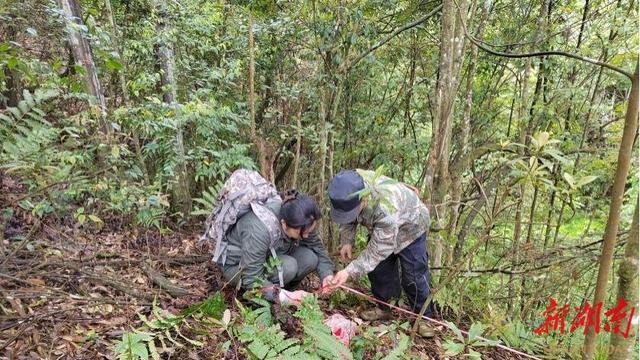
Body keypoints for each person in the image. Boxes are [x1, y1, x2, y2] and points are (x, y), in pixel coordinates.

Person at [324, 169, 435, 337]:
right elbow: (348, 216)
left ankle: (424, 316)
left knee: (414, 275)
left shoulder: (385, 206)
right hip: (382, 228)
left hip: (412, 227)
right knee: (379, 270)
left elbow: (379, 249)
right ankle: (385, 306)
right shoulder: (349, 186)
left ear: (365, 198)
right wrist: (347, 241)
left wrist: (349, 271)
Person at [221, 189, 335, 305]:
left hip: (269, 256)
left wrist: (327, 274)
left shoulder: (302, 220)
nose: (306, 236)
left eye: (309, 231)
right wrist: (286, 298)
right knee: (289, 266)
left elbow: (317, 247)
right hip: (238, 267)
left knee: (310, 258)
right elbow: (251, 278)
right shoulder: (258, 230)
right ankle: (266, 299)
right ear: (284, 224)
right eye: (301, 233)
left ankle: (284, 292)